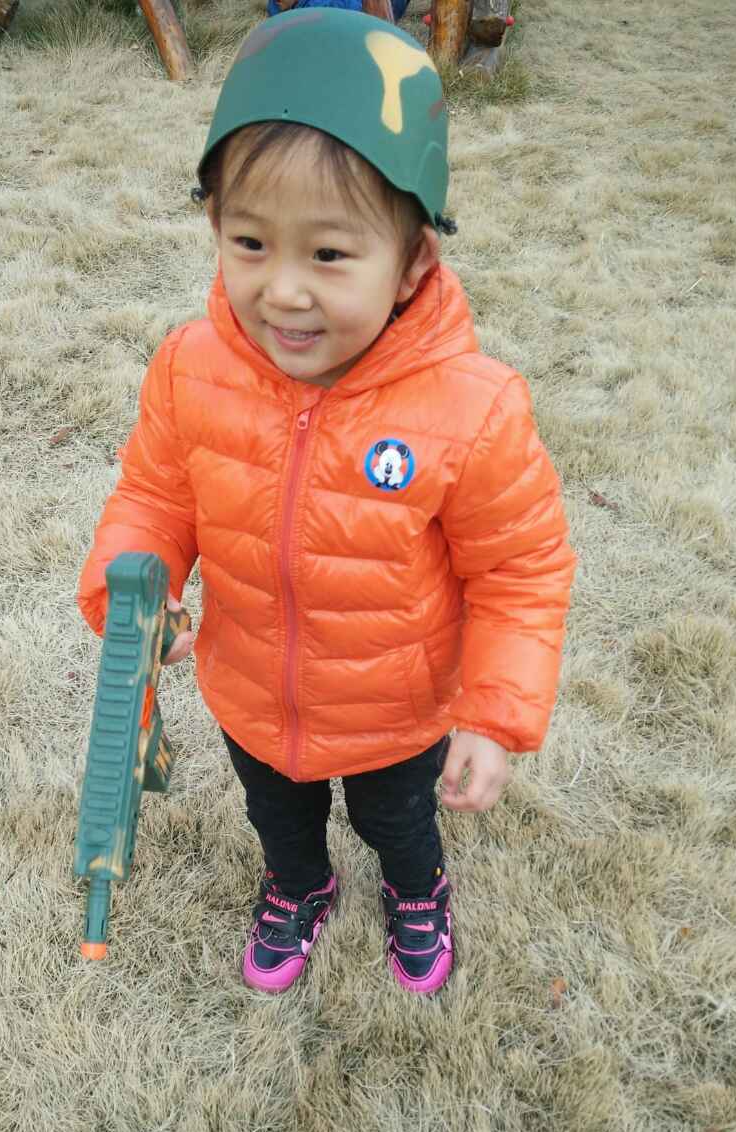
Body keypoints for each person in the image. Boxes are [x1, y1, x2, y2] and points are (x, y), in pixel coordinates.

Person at [78, 10, 575, 996]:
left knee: (398, 819)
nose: (284, 292)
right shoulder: (191, 368)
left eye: (331, 256)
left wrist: (493, 715)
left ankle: (416, 892)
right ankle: (297, 885)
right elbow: (154, 497)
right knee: (279, 814)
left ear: (414, 263)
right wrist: (129, 588)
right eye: (251, 242)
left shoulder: (471, 409)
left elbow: (520, 571)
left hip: (396, 708)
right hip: (252, 691)